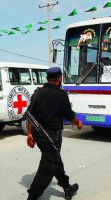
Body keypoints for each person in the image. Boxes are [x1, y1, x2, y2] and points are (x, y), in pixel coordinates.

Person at [26, 67, 83, 200]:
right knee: (49, 164)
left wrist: (30, 134)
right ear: (59, 79)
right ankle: (33, 196)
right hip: (52, 135)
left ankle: (67, 187)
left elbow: (30, 115)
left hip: (38, 135)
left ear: (47, 78)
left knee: (54, 158)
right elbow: (69, 116)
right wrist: (78, 123)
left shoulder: (37, 93)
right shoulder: (61, 94)